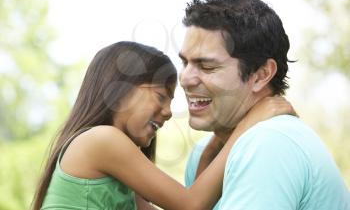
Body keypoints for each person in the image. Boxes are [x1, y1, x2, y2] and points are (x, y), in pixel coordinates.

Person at [31, 41, 294, 210]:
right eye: (160, 96)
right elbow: (191, 206)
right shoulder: (102, 140)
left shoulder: (119, 175)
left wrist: (218, 139)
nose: (168, 112)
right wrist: (248, 124)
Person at [181, 0, 350, 210]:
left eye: (207, 66)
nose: (185, 79)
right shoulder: (204, 154)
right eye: (184, 62)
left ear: (261, 75)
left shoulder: (269, 143)